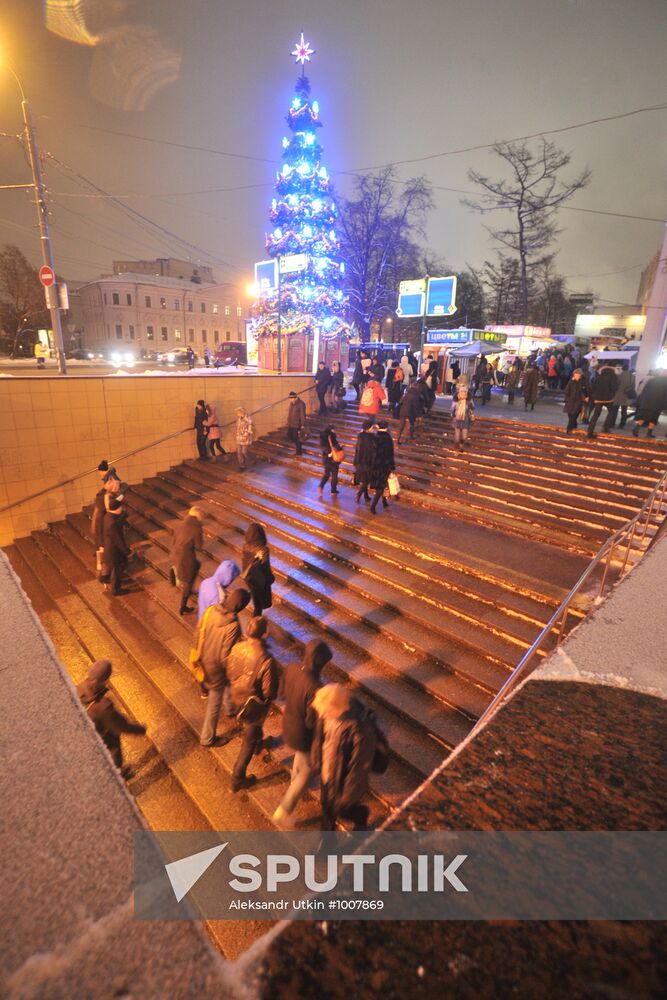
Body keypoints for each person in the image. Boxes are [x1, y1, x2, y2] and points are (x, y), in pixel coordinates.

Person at [272, 639, 332, 828]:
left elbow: (282, 692)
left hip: (288, 724)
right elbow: (311, 721)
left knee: (301, 760)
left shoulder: (292, 668)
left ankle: (295, 785)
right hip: (302, 734)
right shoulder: (316, 688)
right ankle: (284, 809)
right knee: (308, 770)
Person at [311, 684, 381, 831]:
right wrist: (317, 758)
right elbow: (319, 736)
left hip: (343, 777)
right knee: (326, 805)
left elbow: (359, 766)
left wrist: (348, 795)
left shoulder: (360, 728)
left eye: (326, 713)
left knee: (343, 809)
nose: (323, 716)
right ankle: (327, 840)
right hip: (328, 770)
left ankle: (361, 815)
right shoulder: (327, 709)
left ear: (337, 709)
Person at [226, 616, 281, 792]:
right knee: (248, 742)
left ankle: (258, 743)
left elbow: (230, 671)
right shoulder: (266, 660)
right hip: (252, 707)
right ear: (264, 634)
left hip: (237, 697)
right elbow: (268, 692)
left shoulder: (237, 647)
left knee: (252, 730)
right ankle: (237, 778)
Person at [197, 588, 250, 747]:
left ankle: (230, 709)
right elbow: (226, 655)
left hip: (204, 659)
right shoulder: (232, 625)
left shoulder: (211, 610)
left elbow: (200, 632)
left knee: (224, 687)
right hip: (217, 668)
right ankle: (207, 738)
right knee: (214, 703)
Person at [77, 660, 145, 776]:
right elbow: (121, 725)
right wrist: (140, 729)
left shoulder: (79, 688)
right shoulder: (103, 707)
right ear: (106, 679)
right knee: (113, 748)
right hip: (101, 735)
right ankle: (116, 773)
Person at [170, 506, 203, 615]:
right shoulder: (196, 528)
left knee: (197, 565)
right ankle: (183, 607)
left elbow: (174, 539)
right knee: (188, 580)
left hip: (176, 554)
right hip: (186, 558)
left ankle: (189, 588)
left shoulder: (180, 524)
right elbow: (199, 546)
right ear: (197, 515)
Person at [100, 491, 130, 595]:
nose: (121, 508)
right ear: (117, 509)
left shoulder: (108, 516)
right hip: (113, 551)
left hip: (110, 549)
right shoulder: (112, 523)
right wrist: (126, 551)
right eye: (120, 507)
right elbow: (118, 540)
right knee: (116, 571)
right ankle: (116, 590)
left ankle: (103, 577)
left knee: (112, 567)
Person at [242, 522, 275, 616]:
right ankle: (255, 624)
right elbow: (265, 567)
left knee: (257, 601)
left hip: (249, 577)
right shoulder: (263, 550)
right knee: (259, 605)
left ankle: (255, 623)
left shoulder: (245, 547)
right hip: (261, 580)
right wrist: (271, 579)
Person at [369, 420, 395, 514]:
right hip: (384, 466)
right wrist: (392, 467)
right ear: (386, 427)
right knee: (381, 487)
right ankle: (373, 507)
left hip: (375, 466)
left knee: (382, 485)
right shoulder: (388, 438)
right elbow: (390, 454)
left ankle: (384, 502)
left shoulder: (375, 437)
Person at [587, 363, 619, 438]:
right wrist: (611, 395)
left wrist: (594, 396)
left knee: (596, 415)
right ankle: (605, 427)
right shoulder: (613, 376)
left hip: (598, 399)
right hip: (608, 399)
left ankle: (590, 431)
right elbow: (615, 388)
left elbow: (593, 386)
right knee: (612, 412)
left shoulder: (599, 376)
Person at [632, 371, 667, 438]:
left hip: (646, 402)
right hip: (657, 403)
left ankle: (636, 428)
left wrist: (642, 400)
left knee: (643, 416)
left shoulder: (652, 380)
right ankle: (649, 433)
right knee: (654, 418)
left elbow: (644, 390)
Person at [353, 418, 376, 503]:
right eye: (372, 427)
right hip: (367, 462)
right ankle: (359, 494)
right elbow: (372, 451)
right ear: (369, 427)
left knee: (364, 479)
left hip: (359, 462)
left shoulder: (361, 436)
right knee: (366, 480)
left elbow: (358, 450)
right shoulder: (371, 437)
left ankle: (366, 496)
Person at [318, 425, 343, 497]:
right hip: (332, 458)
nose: (334, 431)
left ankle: (322, 487)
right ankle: (333, 490)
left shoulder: (325, 437)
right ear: (331, 430)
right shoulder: (330, 436)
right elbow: (334, 445)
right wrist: (330, 452)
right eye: (334, 429)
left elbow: (323, 446)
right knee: (333, 474)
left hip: (328, 458)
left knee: (328, 474)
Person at [609, 363, 636, 429]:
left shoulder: (619, 376)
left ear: (622, 369)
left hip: (618, 395)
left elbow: (615, 385)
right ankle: (622, 425)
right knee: (624, 411)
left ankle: (612, 424)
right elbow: (633, 386)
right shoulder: (632, 376)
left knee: (614, 411)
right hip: (626, 396)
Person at [563, 368, 587, 433]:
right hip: (570, 401)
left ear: (581, 375)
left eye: (578, 374)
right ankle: (574, 426)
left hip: (579, 401)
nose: (576, 376)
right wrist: (567, 399)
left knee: (574, 416)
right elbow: (567, 391)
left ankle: (568, 429)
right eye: (575, 374)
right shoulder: (571, 381)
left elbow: (585, 391)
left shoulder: (584, 382)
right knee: (570, 415)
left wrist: (585, 398)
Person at [451, 386, 474, 451]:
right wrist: (453, 416)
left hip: (466, 420)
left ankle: (460, 445)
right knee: (457, 437)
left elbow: (472, 408)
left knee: (464, 437)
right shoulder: (455, 400)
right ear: (459, 392)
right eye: (462, 391)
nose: (463, 392)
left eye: (465, 391)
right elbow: (452, 410)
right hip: (457, 420)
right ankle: (457, 449)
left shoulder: (469, 401)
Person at [286, 390, 307, 455]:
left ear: (295, 398)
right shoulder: (292, 403)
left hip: (297, 424)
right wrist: (288, 421)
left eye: (291, 399)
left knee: (295, 437)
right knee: (289, 435)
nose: (290, 400)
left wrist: (302, 424)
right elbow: (290, 413)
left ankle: (299, 451)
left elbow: (302, 415)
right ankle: (299, 444)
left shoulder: (301, 404)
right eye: (289, 399)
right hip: (291, 423)